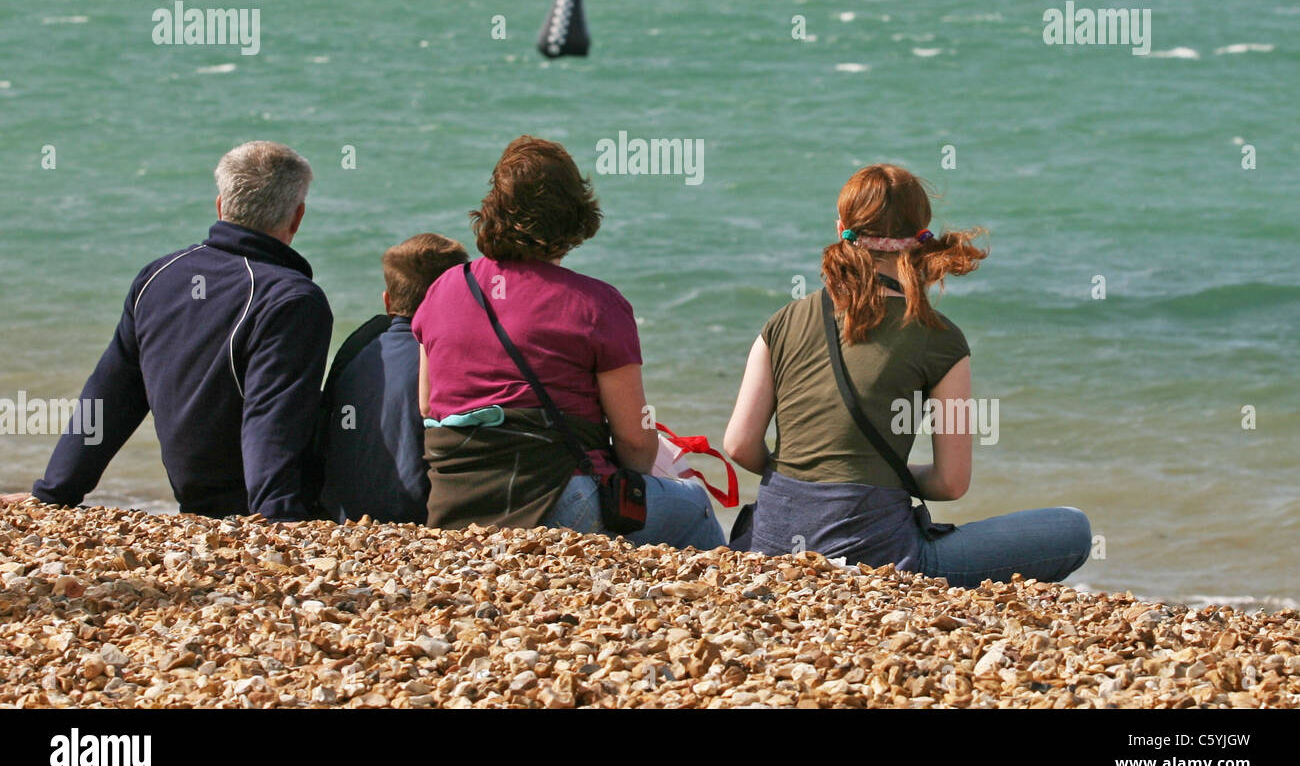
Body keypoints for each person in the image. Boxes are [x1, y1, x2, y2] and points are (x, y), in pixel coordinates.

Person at [724, 163, 1091, 588]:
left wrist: (812, 477)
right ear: (922, 237)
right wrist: (878, 473)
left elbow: (738, 445)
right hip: (879, 559)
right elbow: (950, 483)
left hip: (771, 546)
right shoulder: (941, 339)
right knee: (1073, 529)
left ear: (841, 227)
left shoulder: (783, 320)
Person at [412, 135, 724, 550]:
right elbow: (633, 438)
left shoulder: (446, 287)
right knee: (693, 506)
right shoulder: (595, 304)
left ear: (493, 208)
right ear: (576, 215)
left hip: (456, 506)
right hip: (555, 502)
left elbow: (430, 405)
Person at [21, 141, 333, 521]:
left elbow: (111, 392)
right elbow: (272, 417)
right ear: (297, 217)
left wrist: (56, 491)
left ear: (221, 206)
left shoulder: (157, 277)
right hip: (260, 507)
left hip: (196, 500)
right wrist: (278, 521)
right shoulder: (293, 298)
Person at [318, 233, 468, 524]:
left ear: (387, 301)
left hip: (342, 513)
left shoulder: (356, 347)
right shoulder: (449, 360)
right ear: (457, 301)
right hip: (417, 518)